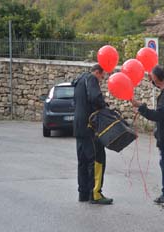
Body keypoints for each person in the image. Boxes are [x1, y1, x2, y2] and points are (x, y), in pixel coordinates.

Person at [131, 65, 164, 208]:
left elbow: (158, 115)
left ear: (157, 78)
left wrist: (140, 107)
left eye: (152, 77)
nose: (151, 79)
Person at [73, 64, 113, 205]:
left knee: (82, 160)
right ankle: (95, 193)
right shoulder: (91, 79)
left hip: (78, 125)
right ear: (97, 72)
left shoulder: (79, 80)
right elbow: (95, 98)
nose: (101, 80)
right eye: (101, 77)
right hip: (90, 126)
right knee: (97, 158)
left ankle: (83, 193)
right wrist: (104, 106)